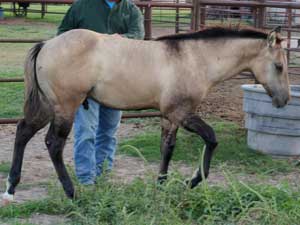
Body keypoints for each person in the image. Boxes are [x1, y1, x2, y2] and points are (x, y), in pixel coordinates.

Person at [57, 0, 145, 185]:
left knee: (109, 131)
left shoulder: (131, 10)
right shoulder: (81, 6)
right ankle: (86, 179)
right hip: (86, 82)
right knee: (86, 130)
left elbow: (138, 36)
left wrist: (116, 40)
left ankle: (103, 176)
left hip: (117, 82)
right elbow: (62, 34)